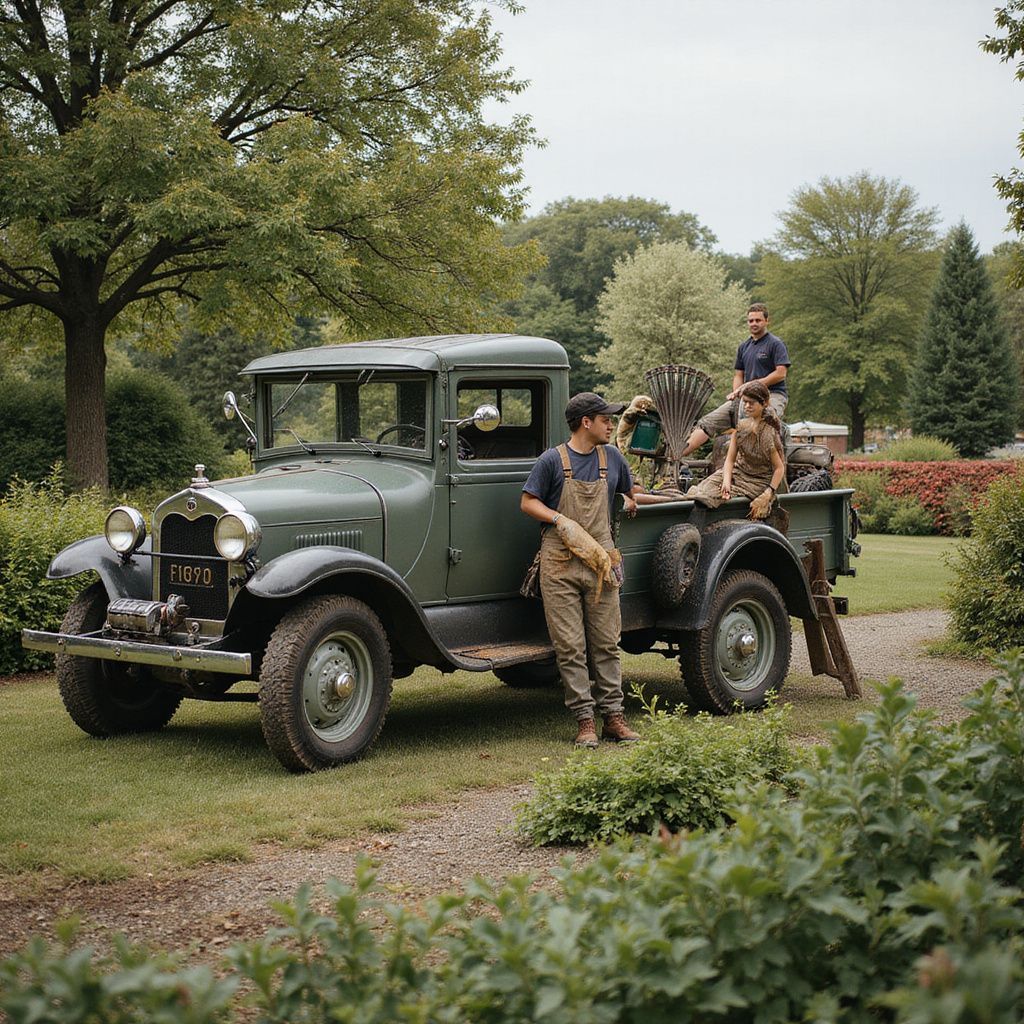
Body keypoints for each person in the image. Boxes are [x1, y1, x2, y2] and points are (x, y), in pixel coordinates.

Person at [521, 392, 642, 748]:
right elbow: (527, 502)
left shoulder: (613, 458)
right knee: (570, 647)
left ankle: (614, 719)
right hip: (559, 563)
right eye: (605, 418)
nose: (610, 424)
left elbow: (628, 490)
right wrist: (559, 519)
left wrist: (633, 497)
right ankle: (585, 721)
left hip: (602, 561)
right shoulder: (551, 461)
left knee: (607, 643)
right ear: (585, 422)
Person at [678, 303, 790, 457]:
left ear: (766, 321)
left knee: (766, 420)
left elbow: (780, 373)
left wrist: (750, 385)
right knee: (707, 423)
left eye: (758, 320)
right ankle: (676, 456)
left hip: (772, 395)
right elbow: (739, 375)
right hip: (746, 396)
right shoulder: (744, 346)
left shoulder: (775, 344)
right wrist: (737, 393)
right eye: (751, 321)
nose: (754, 324)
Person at [681, 382, 785, 518]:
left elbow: (779, 468)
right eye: (745, 402)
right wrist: (726, 481)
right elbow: (730, 460)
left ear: (764, 403)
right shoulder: (741, 427)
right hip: (737, 472)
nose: (747, 406)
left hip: (757, 481)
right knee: (700, 490)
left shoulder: (768, 434)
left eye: (751, 403)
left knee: (709, 497)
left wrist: (769, 491)